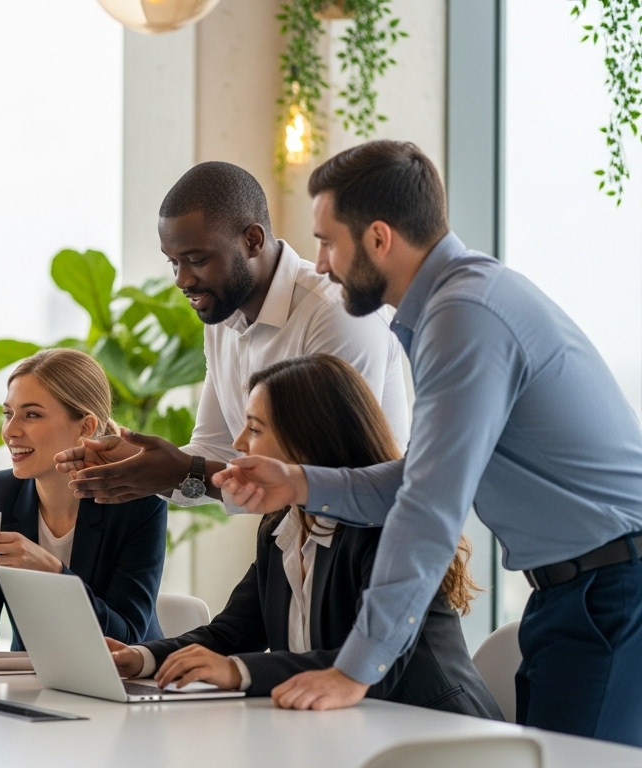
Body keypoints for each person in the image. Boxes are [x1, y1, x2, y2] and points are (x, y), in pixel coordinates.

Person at [213, 140, 642, 746]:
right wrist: (302, 482)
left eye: (329, 241)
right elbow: (419, 479)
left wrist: (354, 669)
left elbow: (428, 510)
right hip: (578, 590)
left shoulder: (465, 316)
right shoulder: (454, 307)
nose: (322, 264)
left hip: (612, 588)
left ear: (380, 238)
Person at [107, 354, 500, 719]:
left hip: (436, 731)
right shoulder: (282, 526)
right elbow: (234, 630)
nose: (239, 443)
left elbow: (373, 664)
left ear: (308, 439)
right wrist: (141, 658)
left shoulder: (381, 528)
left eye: (255, 428)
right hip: (344, 731)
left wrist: (238, 670)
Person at [54, 161, 407, 510]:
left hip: (369, 548)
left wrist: (181, 471)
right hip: (293, 543)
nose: (182, 280)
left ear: (252, 240)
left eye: (196, 259)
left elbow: (322, 477)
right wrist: (139, 462)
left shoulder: (334, 312)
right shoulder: (222, 317)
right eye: (174, 262)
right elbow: (214, 451)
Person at [0, 349, 167, 656]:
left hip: (125, 684)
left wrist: (52, 570)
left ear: (84, 427)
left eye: (32, 415)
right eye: (8, 414)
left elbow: (125, 636)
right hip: (32, 682)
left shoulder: (138, 503)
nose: (10, 431)